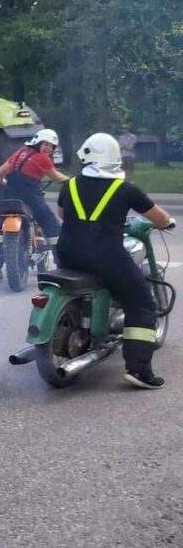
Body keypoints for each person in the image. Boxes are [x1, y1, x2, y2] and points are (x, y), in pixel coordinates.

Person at [56, 132, 174, 389]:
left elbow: (62, 214)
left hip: (67, 253)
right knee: (142, 303)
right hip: (105, 257)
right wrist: (169, 223)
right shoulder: (126, 189)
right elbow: (161, 218)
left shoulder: (70, 185)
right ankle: (139, 370)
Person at [0, 129, 69, 281]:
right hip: (31, 196)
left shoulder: (19, 153)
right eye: (46, 144)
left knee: (1, 231)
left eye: (51, 146)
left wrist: (2, 183)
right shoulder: (42, 159)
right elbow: (57, 177)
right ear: (38, 143)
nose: (48, 148)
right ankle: (61, 265)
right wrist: (72, 182)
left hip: (10, 195)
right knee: (52, 225)